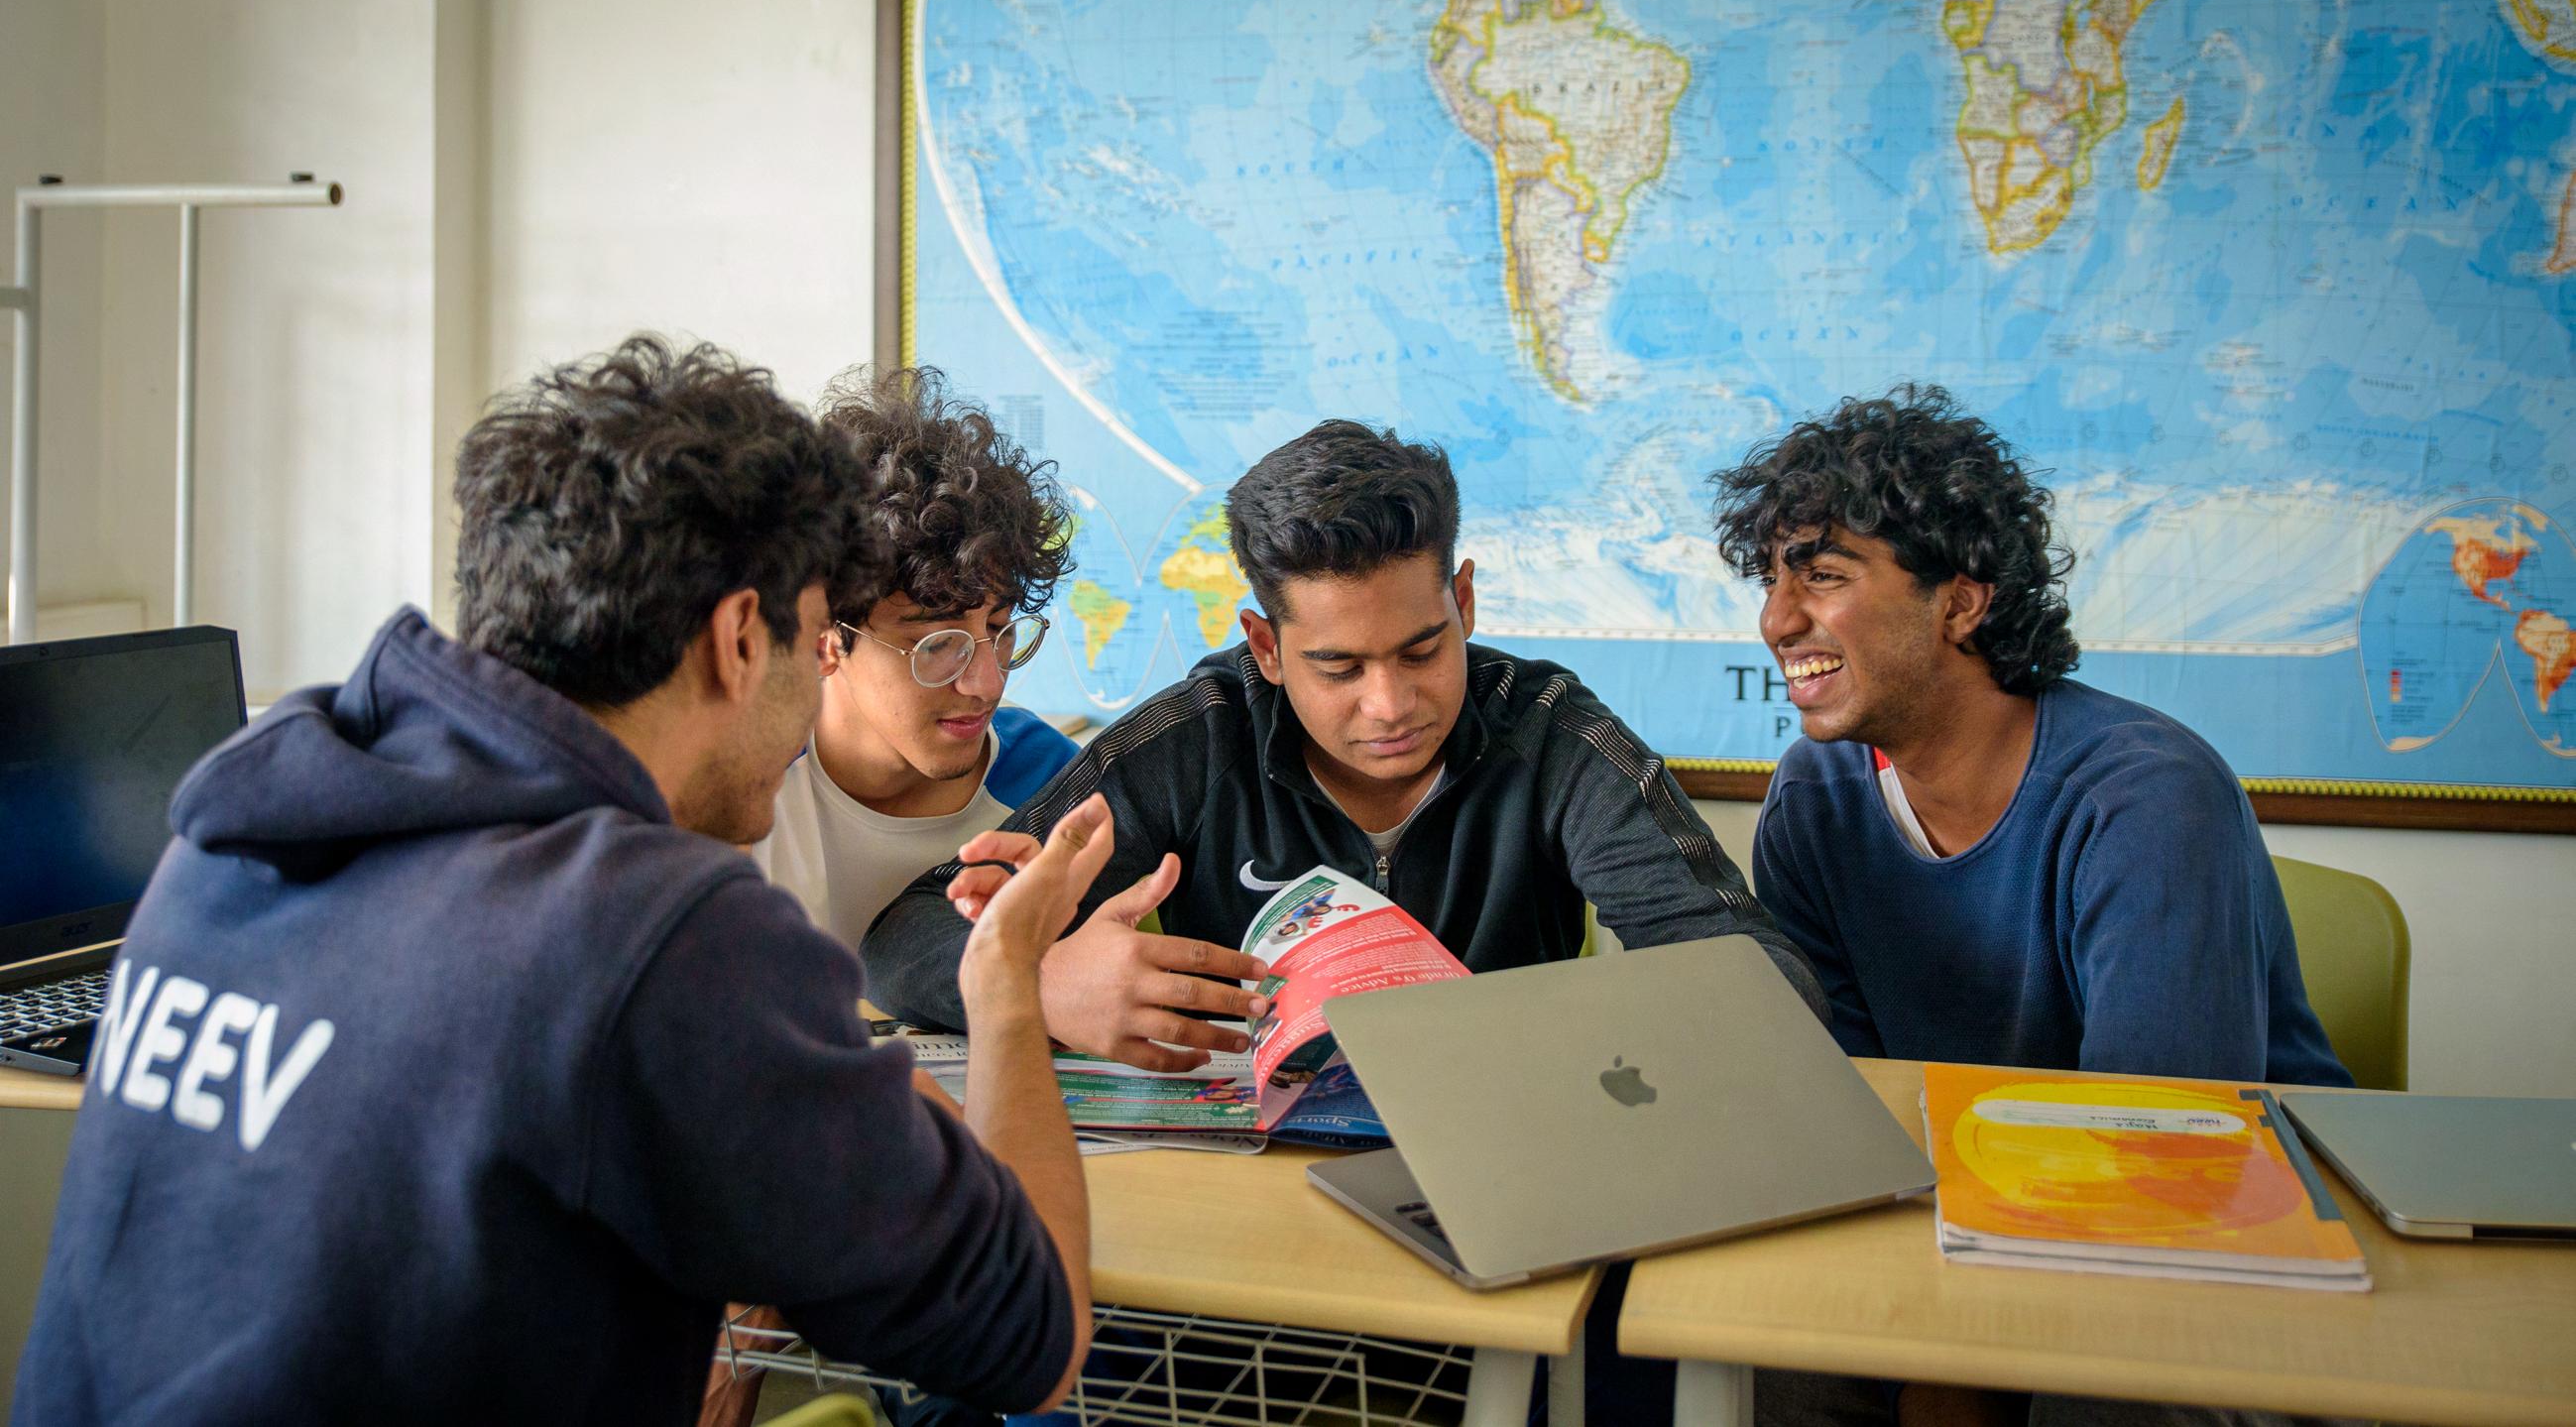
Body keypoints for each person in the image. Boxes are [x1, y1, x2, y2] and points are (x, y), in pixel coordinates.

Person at [15, 338, 1099, 1426]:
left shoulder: (233, 834)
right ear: (738, 639)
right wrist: (1004, 979)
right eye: (814, 637)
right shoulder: (658, 932)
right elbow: (1030, 1335)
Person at [866, 417, 1824, 1064]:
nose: (1390, 705)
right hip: (1254, 1196)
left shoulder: (1556, 737)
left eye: (1422, 650)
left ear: (1464, 601)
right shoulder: (1194, 738)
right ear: (1266, 648)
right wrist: (1040, 982)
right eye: (1338, 668)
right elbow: (908, 933)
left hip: (1510, 1162)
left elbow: (1769, 981)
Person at [1708, 384, 2347, 1088]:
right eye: (1771, 582)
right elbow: (1845, 1099)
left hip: (2222, 1158)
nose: (1776, 621)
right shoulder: (1813, 800)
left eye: (1823, 576)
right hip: (1955, 1158)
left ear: (1960, 604)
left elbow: (2164, 1131)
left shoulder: (2150, 799)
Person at [749, 366, 1079, 958]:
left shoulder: (1056, 784)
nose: (987, 683)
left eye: (998, 629)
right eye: (937, 644)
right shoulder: (744, 788)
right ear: (826, 637)